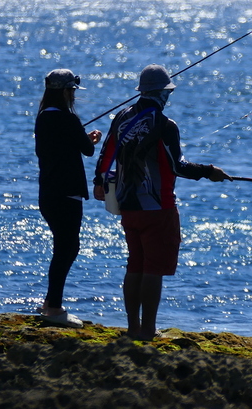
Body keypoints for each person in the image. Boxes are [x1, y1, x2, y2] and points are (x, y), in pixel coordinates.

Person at [93, 64, 230, 340]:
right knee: (153, 270)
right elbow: (178, 166)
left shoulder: (121, 117)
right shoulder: (165, 125)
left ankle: (132, 329)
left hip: (127, 205)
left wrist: (99, 183)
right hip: (158, 207)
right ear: (162, 93)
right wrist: (209, 171)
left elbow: (106, 153)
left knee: (135, 265)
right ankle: (148, 331)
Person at [35, 68, 102, 327]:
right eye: (72, 90)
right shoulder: (68, 119)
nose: (73, 95)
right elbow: (87, 150)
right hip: (67, 195)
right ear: (65, 91)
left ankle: (50, 303)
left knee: (62, 248)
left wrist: (79, 138)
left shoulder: (43, 117)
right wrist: (91, 139)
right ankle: (53, 308)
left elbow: (58, 147)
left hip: (48, 193)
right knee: (68, 248)